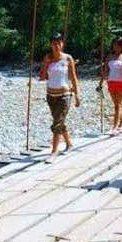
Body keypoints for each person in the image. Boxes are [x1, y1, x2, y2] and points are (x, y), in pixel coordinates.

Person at [39, 32, 81, 163]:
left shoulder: (68, 58)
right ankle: (69, 144)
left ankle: (54, 151)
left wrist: (77, 95)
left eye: (59, 43)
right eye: (54, 43)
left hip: (65, 95)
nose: (57, 45)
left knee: (57, 122)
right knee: (59, 122)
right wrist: (46, 63)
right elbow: (42, 77)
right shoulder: (47, 57)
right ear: (51, 44)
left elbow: (73, 77)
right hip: (51, 95)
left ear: (62, 44)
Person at [98, 37, 122, 135]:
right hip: (111, 82)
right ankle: (121, 122)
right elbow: (105, 71)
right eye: (114, 45)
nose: (116, 47)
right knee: (116, 104)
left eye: (118, 45)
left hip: (121, 82)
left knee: (117, 105)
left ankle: (115, 127)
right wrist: (101, 83)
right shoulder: (109, 57)